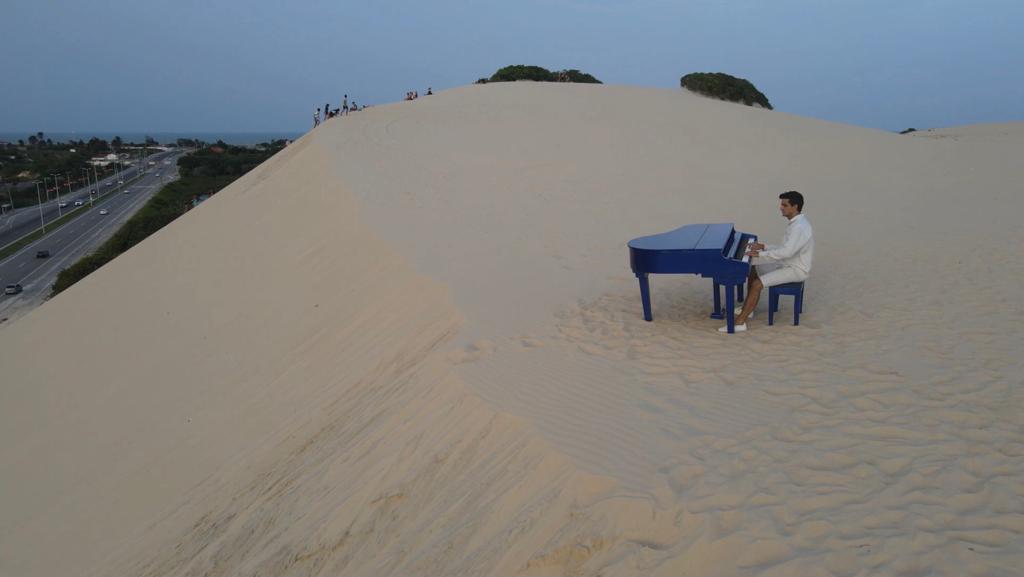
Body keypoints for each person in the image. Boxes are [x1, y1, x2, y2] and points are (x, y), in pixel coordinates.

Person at [722, 190, 814, 333]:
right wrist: (763, 247)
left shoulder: (799, 227)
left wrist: (759, 255)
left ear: (795, 207)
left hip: (796, 269)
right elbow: (785, 248)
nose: (781, 208)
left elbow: (786, 252)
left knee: (757, 284)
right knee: (753, 268)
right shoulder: (796, 223)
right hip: (786, 263)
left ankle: (740, 322)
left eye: (784, 205)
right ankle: (749, 307)